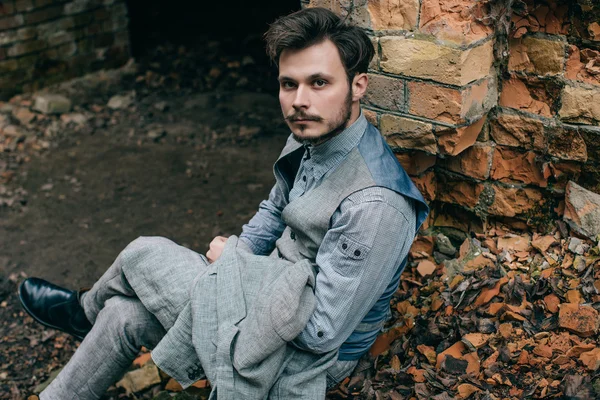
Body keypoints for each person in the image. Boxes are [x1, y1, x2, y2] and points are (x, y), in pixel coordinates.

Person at [19, 7, 428, 399]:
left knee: (144, 254)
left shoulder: (376, 205)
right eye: (289, 84)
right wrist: (235, 267)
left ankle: (81, 311)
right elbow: (273, 211)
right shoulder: (311, 134)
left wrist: (234, 266)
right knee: (124, 316)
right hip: (266, 295)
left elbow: (322, 330)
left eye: (319, 83)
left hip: (308, 355)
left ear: (358, 86)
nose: (299, 101)